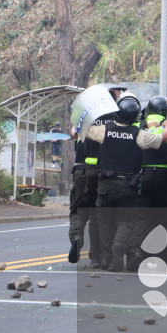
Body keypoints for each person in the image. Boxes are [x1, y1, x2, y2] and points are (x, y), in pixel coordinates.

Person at [86, 92, 167, 271]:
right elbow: (163, 138)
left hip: (105, 184)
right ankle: (119, 244)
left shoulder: (105, 130)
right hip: (127, 185)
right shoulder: (138, 134)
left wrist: (87, 113)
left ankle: (107, 258)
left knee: (105, 221)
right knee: (126, 220)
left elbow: (82, 130)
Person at [127, 96, 167, 271]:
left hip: (144, 174)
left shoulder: (140, 125)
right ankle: (165, 257)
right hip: (165, 176)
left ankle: (135, 252)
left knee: (142, 216)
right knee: (164, 217)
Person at [68, 113, 114, 268]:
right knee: (96, 215)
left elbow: (73, 133)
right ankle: (96, 257)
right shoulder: (113, 121)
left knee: (78, 210)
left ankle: (76, 236)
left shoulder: (86, 117)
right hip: (102, 172)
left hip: (81, 170)